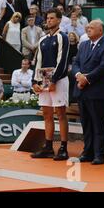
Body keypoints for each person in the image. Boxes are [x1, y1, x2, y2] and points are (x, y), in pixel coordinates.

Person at [72, 20, 104, 165]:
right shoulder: (83, 44)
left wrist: (87, 79)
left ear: (100, 31)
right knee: (86, 124)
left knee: (98, 124)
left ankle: (99, 154)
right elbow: (76, 63)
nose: (88, 29)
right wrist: (79, 76)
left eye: (91, 28)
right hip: (82, 90)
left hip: (98, 92)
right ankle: (87, 152)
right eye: (88, 27)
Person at [31, 8, 70, 161]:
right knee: (47, 113)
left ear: (59, 20)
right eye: (47, 18)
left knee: (60, 113)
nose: (49, 20)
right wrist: (35, 81)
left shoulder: (63, 37)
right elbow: (38, 62)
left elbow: (63, 61)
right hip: (44, 80)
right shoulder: (42, 39)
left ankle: (63, 148)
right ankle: (48, 147)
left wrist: (54, 81)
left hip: (59, 80)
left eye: (52, 18)